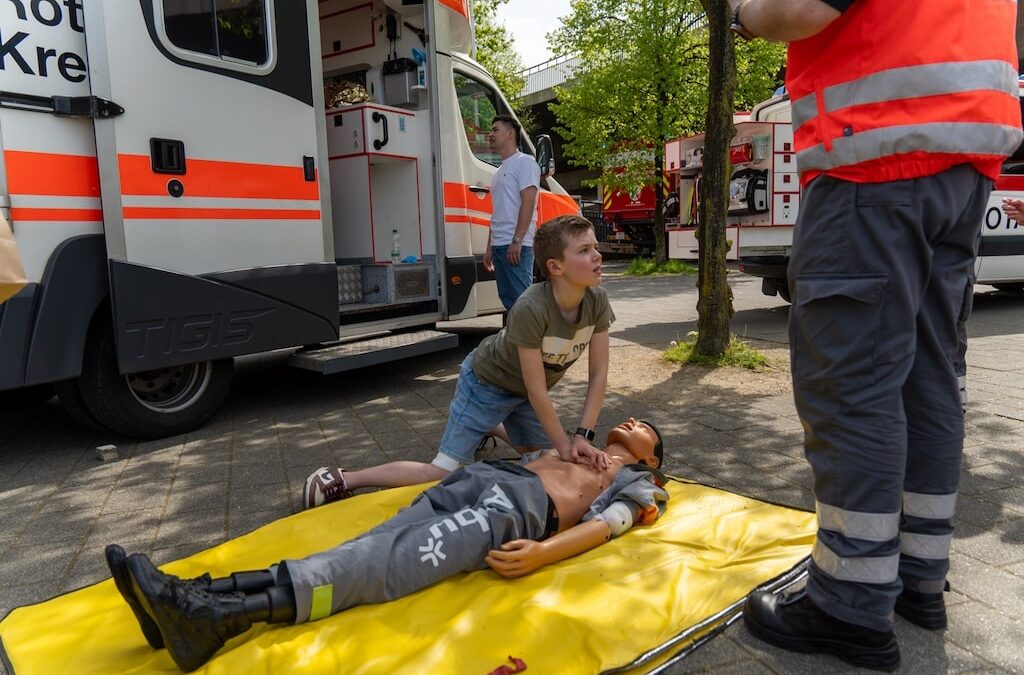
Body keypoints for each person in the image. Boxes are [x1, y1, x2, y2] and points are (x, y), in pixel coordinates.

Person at [726, 0, 1022, 670]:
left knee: (850, 385)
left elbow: (804, 9)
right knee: (929, 374)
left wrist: (742, 13)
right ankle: (919, 576)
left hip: (875, 152)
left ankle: (849, 602)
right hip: (964, 160)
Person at [105, 419, 668, 672]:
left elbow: (609, 525)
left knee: (384, 562)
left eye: (645, 426)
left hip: (515, 512)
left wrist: (544, 552)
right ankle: (198, 598)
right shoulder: (580, 445)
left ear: (653, 458)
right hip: (480, 480)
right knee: (371, 544)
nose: (632, 419)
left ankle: (218, 614)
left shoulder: (639, 482)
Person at [303, 215, 613, 508]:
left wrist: (581, 436)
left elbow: (598, 373)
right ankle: (343, 478)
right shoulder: (531, 308)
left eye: (595, 247)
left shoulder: (597, 301)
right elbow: (537, 391)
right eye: (585, 250)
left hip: (524, 394)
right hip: (486, 385)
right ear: (555, 267)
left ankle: (490, 425)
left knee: (550, 462)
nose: (597, 255)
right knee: (442, 472)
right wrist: (566, 447)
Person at [484, 114, 541, 313]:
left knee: (522, 302)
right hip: (500, 245)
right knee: (510, 302)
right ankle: (518, 334)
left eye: (495, 130)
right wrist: (489, 248)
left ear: (510, 134)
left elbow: (528, 202)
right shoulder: (498, 172)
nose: (490, 134)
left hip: (517, 246)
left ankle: (533, 334)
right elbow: (497, 212)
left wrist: (517, 240)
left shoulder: (525, 162)